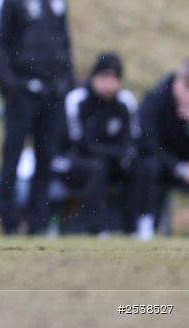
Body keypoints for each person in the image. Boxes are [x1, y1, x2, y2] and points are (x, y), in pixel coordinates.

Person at [0, 0, 75, 235]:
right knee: (12, 157)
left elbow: (64, 43)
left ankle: (38, 223)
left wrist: (67, 81)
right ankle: (8, 221)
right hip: (21, 93)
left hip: (53, 93)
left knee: (46, 157)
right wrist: (9, 85)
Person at [51, 52, 157, 239]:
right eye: (104, 77)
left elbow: (130, 140)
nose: (109, 84)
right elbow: (80, 143)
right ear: (94, 76)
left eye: (115, 78)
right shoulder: (77, 100)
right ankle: (97, 229)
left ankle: (137, 228)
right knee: (98, 168)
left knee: (142, 166)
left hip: (110, 160)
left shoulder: (125, 102)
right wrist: (113, 154)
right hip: (74, 162)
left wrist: (118, 155)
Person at [138, 59, 189, 217]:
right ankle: (144, 225)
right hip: (159, 162)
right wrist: (178, 167)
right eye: (186, 87)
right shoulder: (156, 99)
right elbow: (148, 141)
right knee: (149, 168)